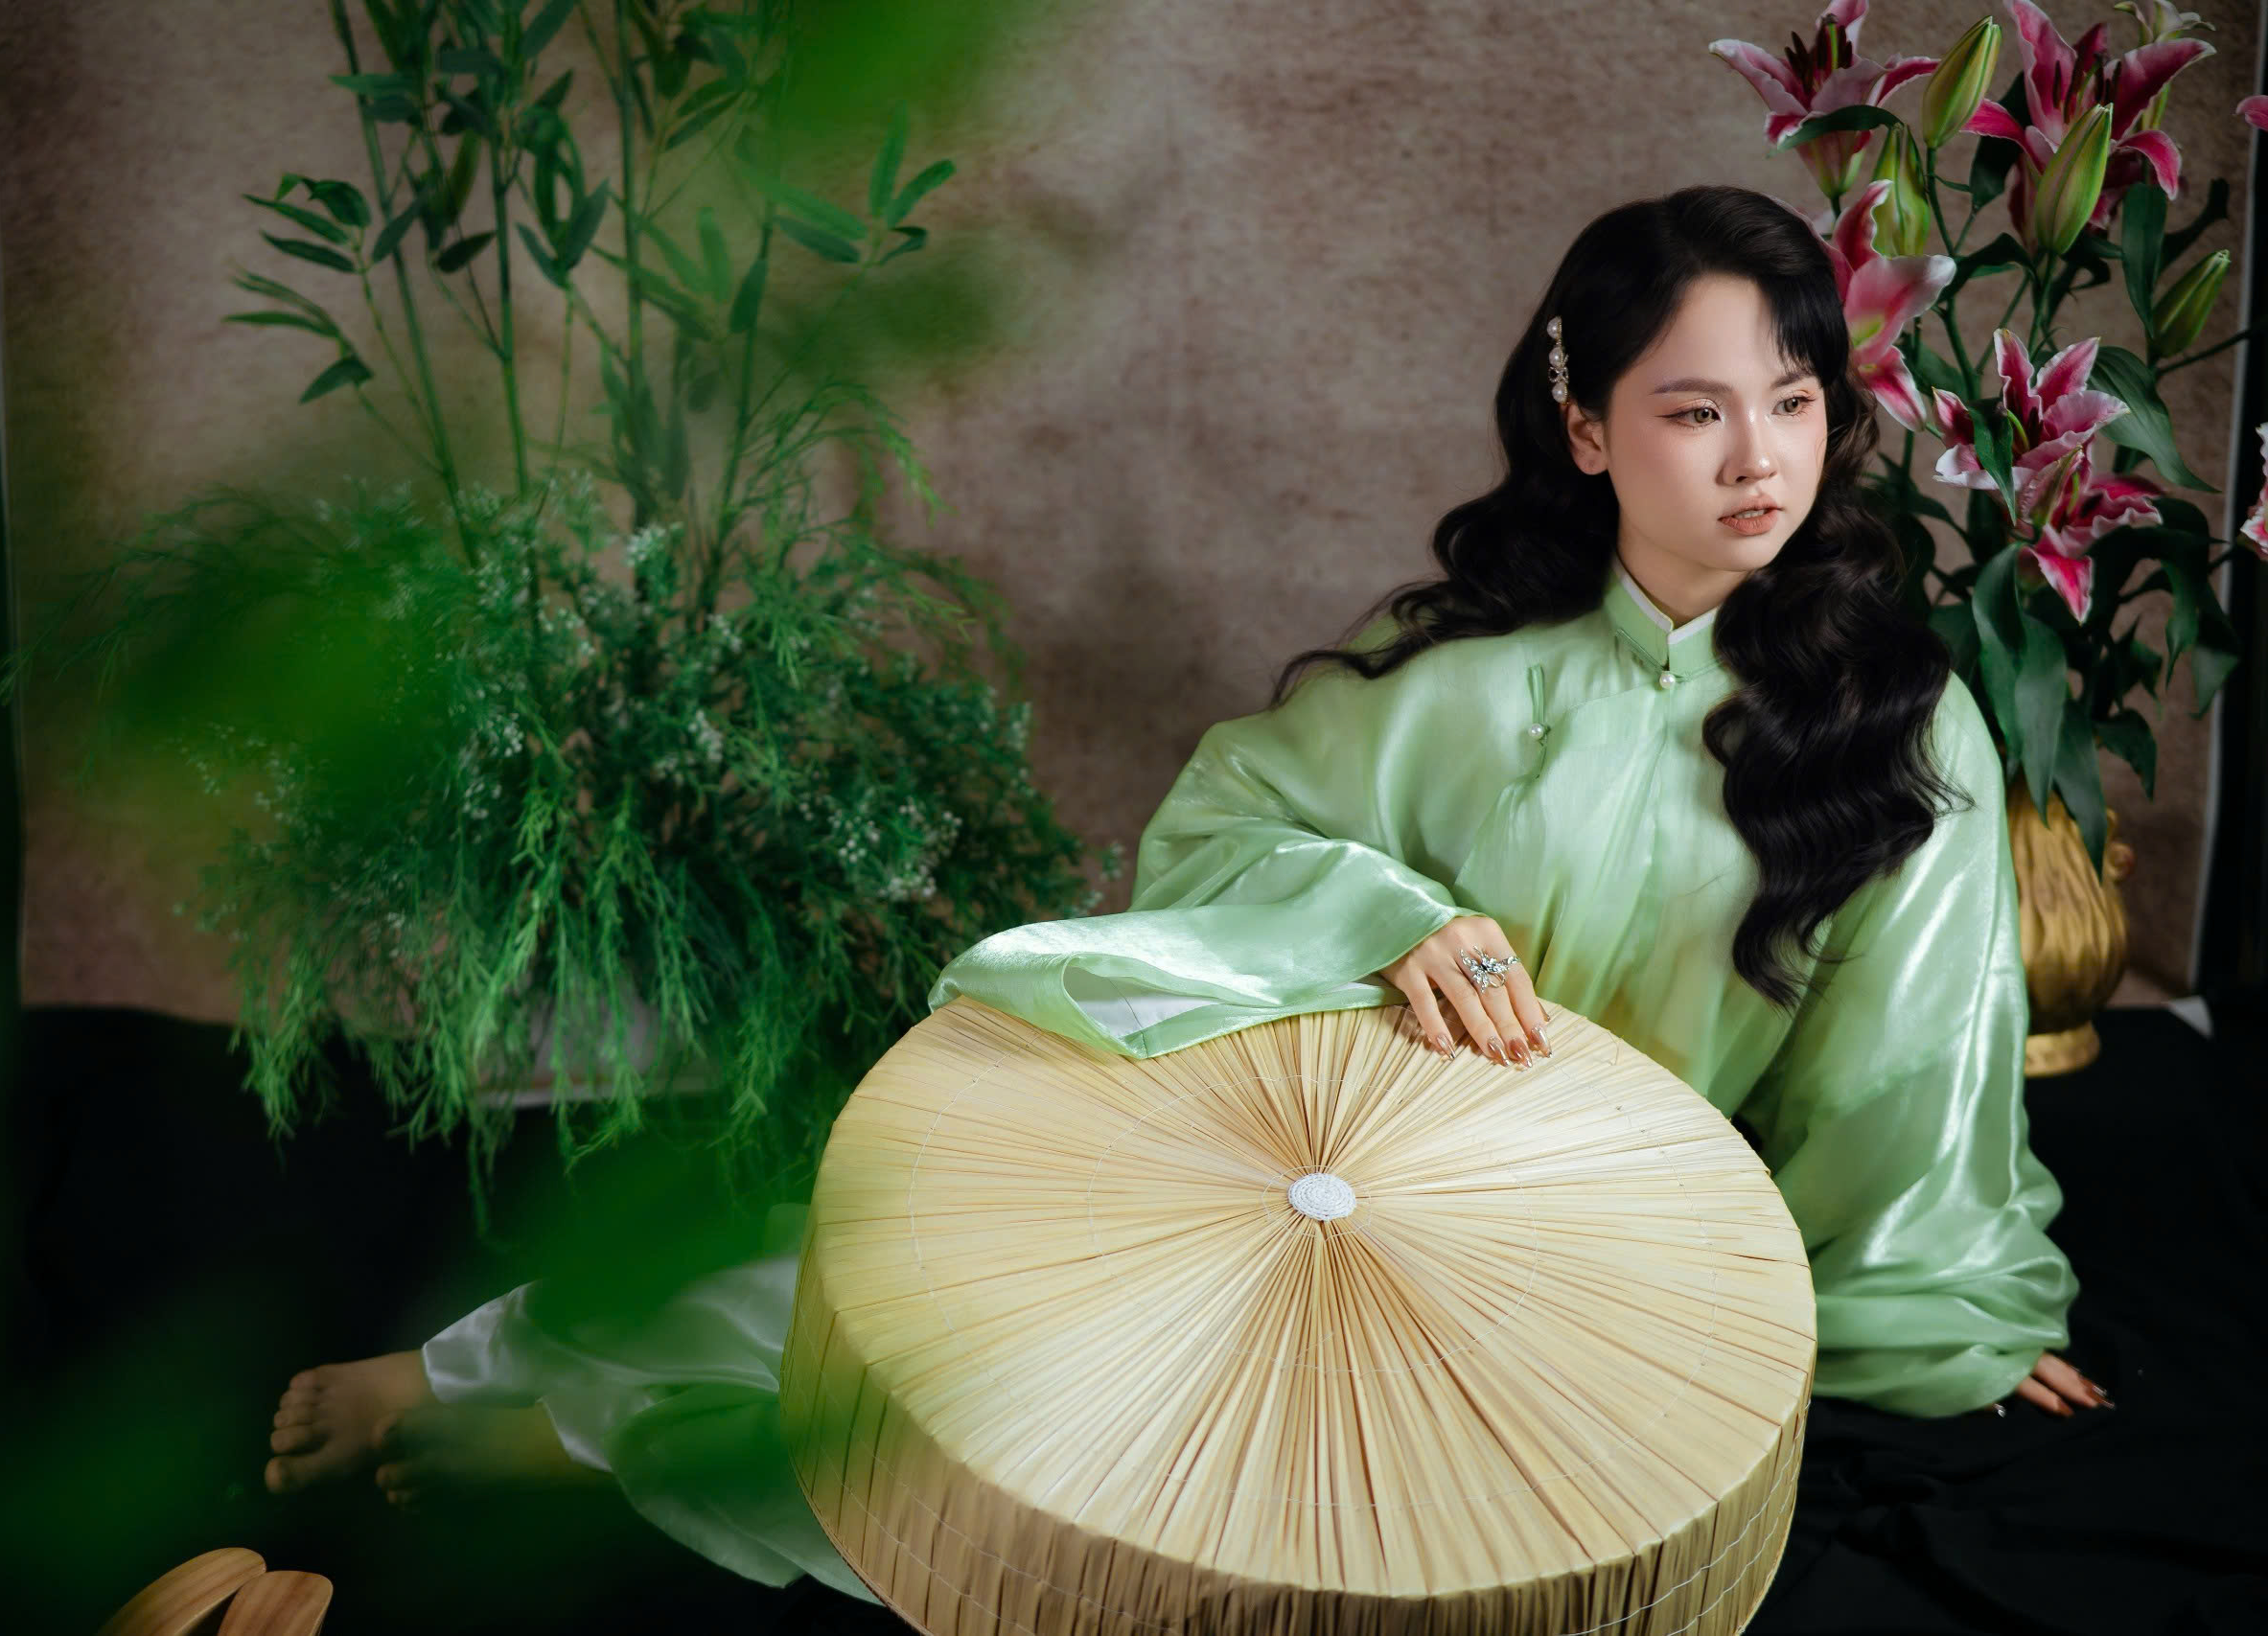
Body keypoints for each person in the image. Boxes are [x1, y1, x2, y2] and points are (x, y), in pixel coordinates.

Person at [260, 184, 2107, 1604]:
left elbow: (1907, 1075)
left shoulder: (1892, 724)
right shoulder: (1467, 678)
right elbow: (1225, 831)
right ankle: (520, 1378)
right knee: (981, 1317)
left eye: (1793, 401)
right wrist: (1389, 918)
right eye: (1696, 409)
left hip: (1587, 1262)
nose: (1760, 459)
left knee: (1189, 1527)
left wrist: (1948, 1307)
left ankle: (620, 1453)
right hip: (1328, 1149)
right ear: (1588, 428)